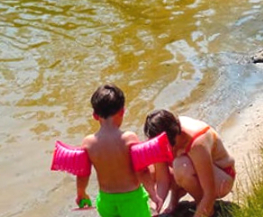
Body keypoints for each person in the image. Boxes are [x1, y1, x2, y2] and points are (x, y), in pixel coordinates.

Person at [77, 85, 154, 217]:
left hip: (106, 200)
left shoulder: (88, 143)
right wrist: (154, 194)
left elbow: (82, 173)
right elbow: (142, 170)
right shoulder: (129, 138)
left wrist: (81, 193)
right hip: (132, 199)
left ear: (95, 116)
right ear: (122, 111)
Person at [143, 110, 235, 217]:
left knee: (181, 166)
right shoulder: (165, 136)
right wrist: (154, 209)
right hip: (197, 170)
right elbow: (162, 180)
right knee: (151, 170)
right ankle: (177, 199)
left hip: (222, 177)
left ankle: (207, 208)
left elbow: (209, 192)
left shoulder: (196, 142)